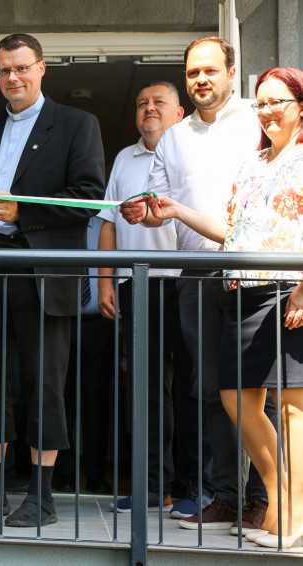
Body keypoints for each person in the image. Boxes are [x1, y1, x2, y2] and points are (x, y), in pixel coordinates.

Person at [0, 33, 105, 527]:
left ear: (42, 68)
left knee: (43, 381)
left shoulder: (77, 124)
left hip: (41, 272)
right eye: (4, 70)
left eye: (22, 68)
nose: (13, 77)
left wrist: (23, 211)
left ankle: (41, 495)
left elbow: (89, 196)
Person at [145, 66, 303, 549]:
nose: (268, 111)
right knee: (236, 397)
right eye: (262, 103)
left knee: (293, 408)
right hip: (243, 292)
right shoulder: (253, 163)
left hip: (289, 292)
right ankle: (282, 497)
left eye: (278, 101)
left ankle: (293, 516)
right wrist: (177, 210)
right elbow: (231, 233)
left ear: (300, 107)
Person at [120, 37, 270, 532]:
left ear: (232, 72)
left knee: (260, 389)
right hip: (196, 273)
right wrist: (142, 213)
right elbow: (159, 208)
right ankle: (224, 496)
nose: (201, 79)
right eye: (192, 73)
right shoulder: (173, 138)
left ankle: (265, 498)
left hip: (255, 269)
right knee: (207, 391)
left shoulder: (258, 120)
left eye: (210, 70)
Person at [98, 81, 193, 514]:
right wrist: (105, 281)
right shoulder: (124, 157)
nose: (148, 109)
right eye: (141, 104)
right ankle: (155, 487)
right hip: (136, 285)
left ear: (179, 112)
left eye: (158, 102)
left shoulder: (191, 151)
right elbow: (109, 223)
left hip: (188, 281)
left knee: (193, 386)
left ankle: (193, 487)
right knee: (147, 390)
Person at [53, 215, 115, 496]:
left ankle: (96, 475)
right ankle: (64, 474)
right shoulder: (59, 219)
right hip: (60, 319)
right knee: (61, 397)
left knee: (96, 400)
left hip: (100, 322)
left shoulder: (108, 224)